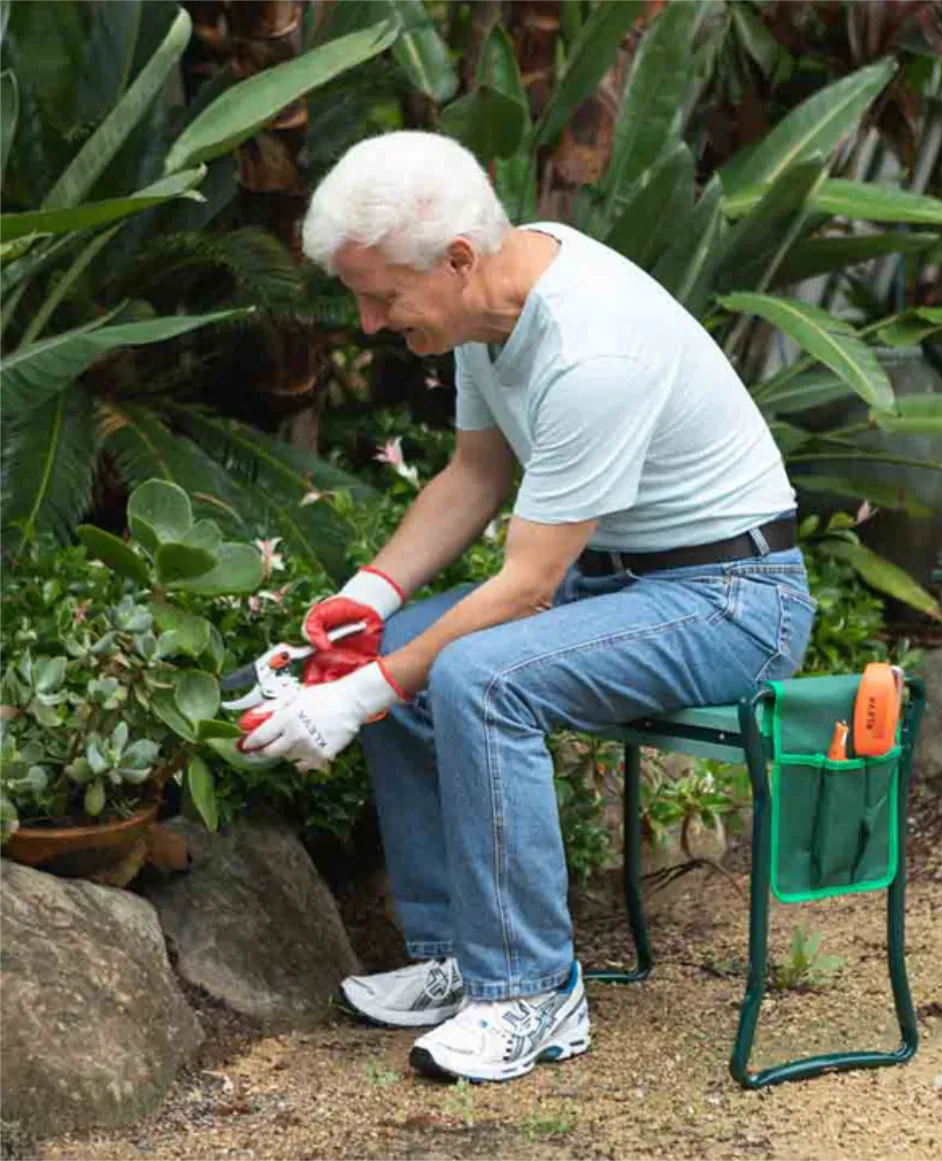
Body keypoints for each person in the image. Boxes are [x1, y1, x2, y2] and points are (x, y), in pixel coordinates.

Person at [240, 130, 817, 1084]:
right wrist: (361, 604)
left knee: (474, 673)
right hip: (624, 580)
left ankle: (533, 993)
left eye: (381, 295)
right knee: (402, 647)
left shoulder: (593, 349)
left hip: (733, 601)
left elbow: (527, 588)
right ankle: (458, 955)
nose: (370, 322)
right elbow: (476, 473)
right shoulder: (490, 304)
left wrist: (356, 699)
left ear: (459, 259)